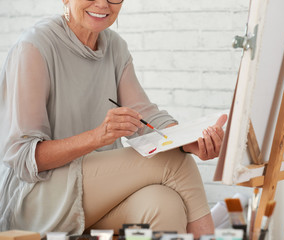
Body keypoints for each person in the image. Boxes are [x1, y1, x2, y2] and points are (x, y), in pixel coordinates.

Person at [0, 0, 227, 238]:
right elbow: (24, 157)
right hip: (38, 196)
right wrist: (98, 137)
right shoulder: (34, 47)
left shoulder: (115, 47)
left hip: (93, 193)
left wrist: (189, 142)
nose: (103, 4)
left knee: (164, 204)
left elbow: (146, 117)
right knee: (174, 162)